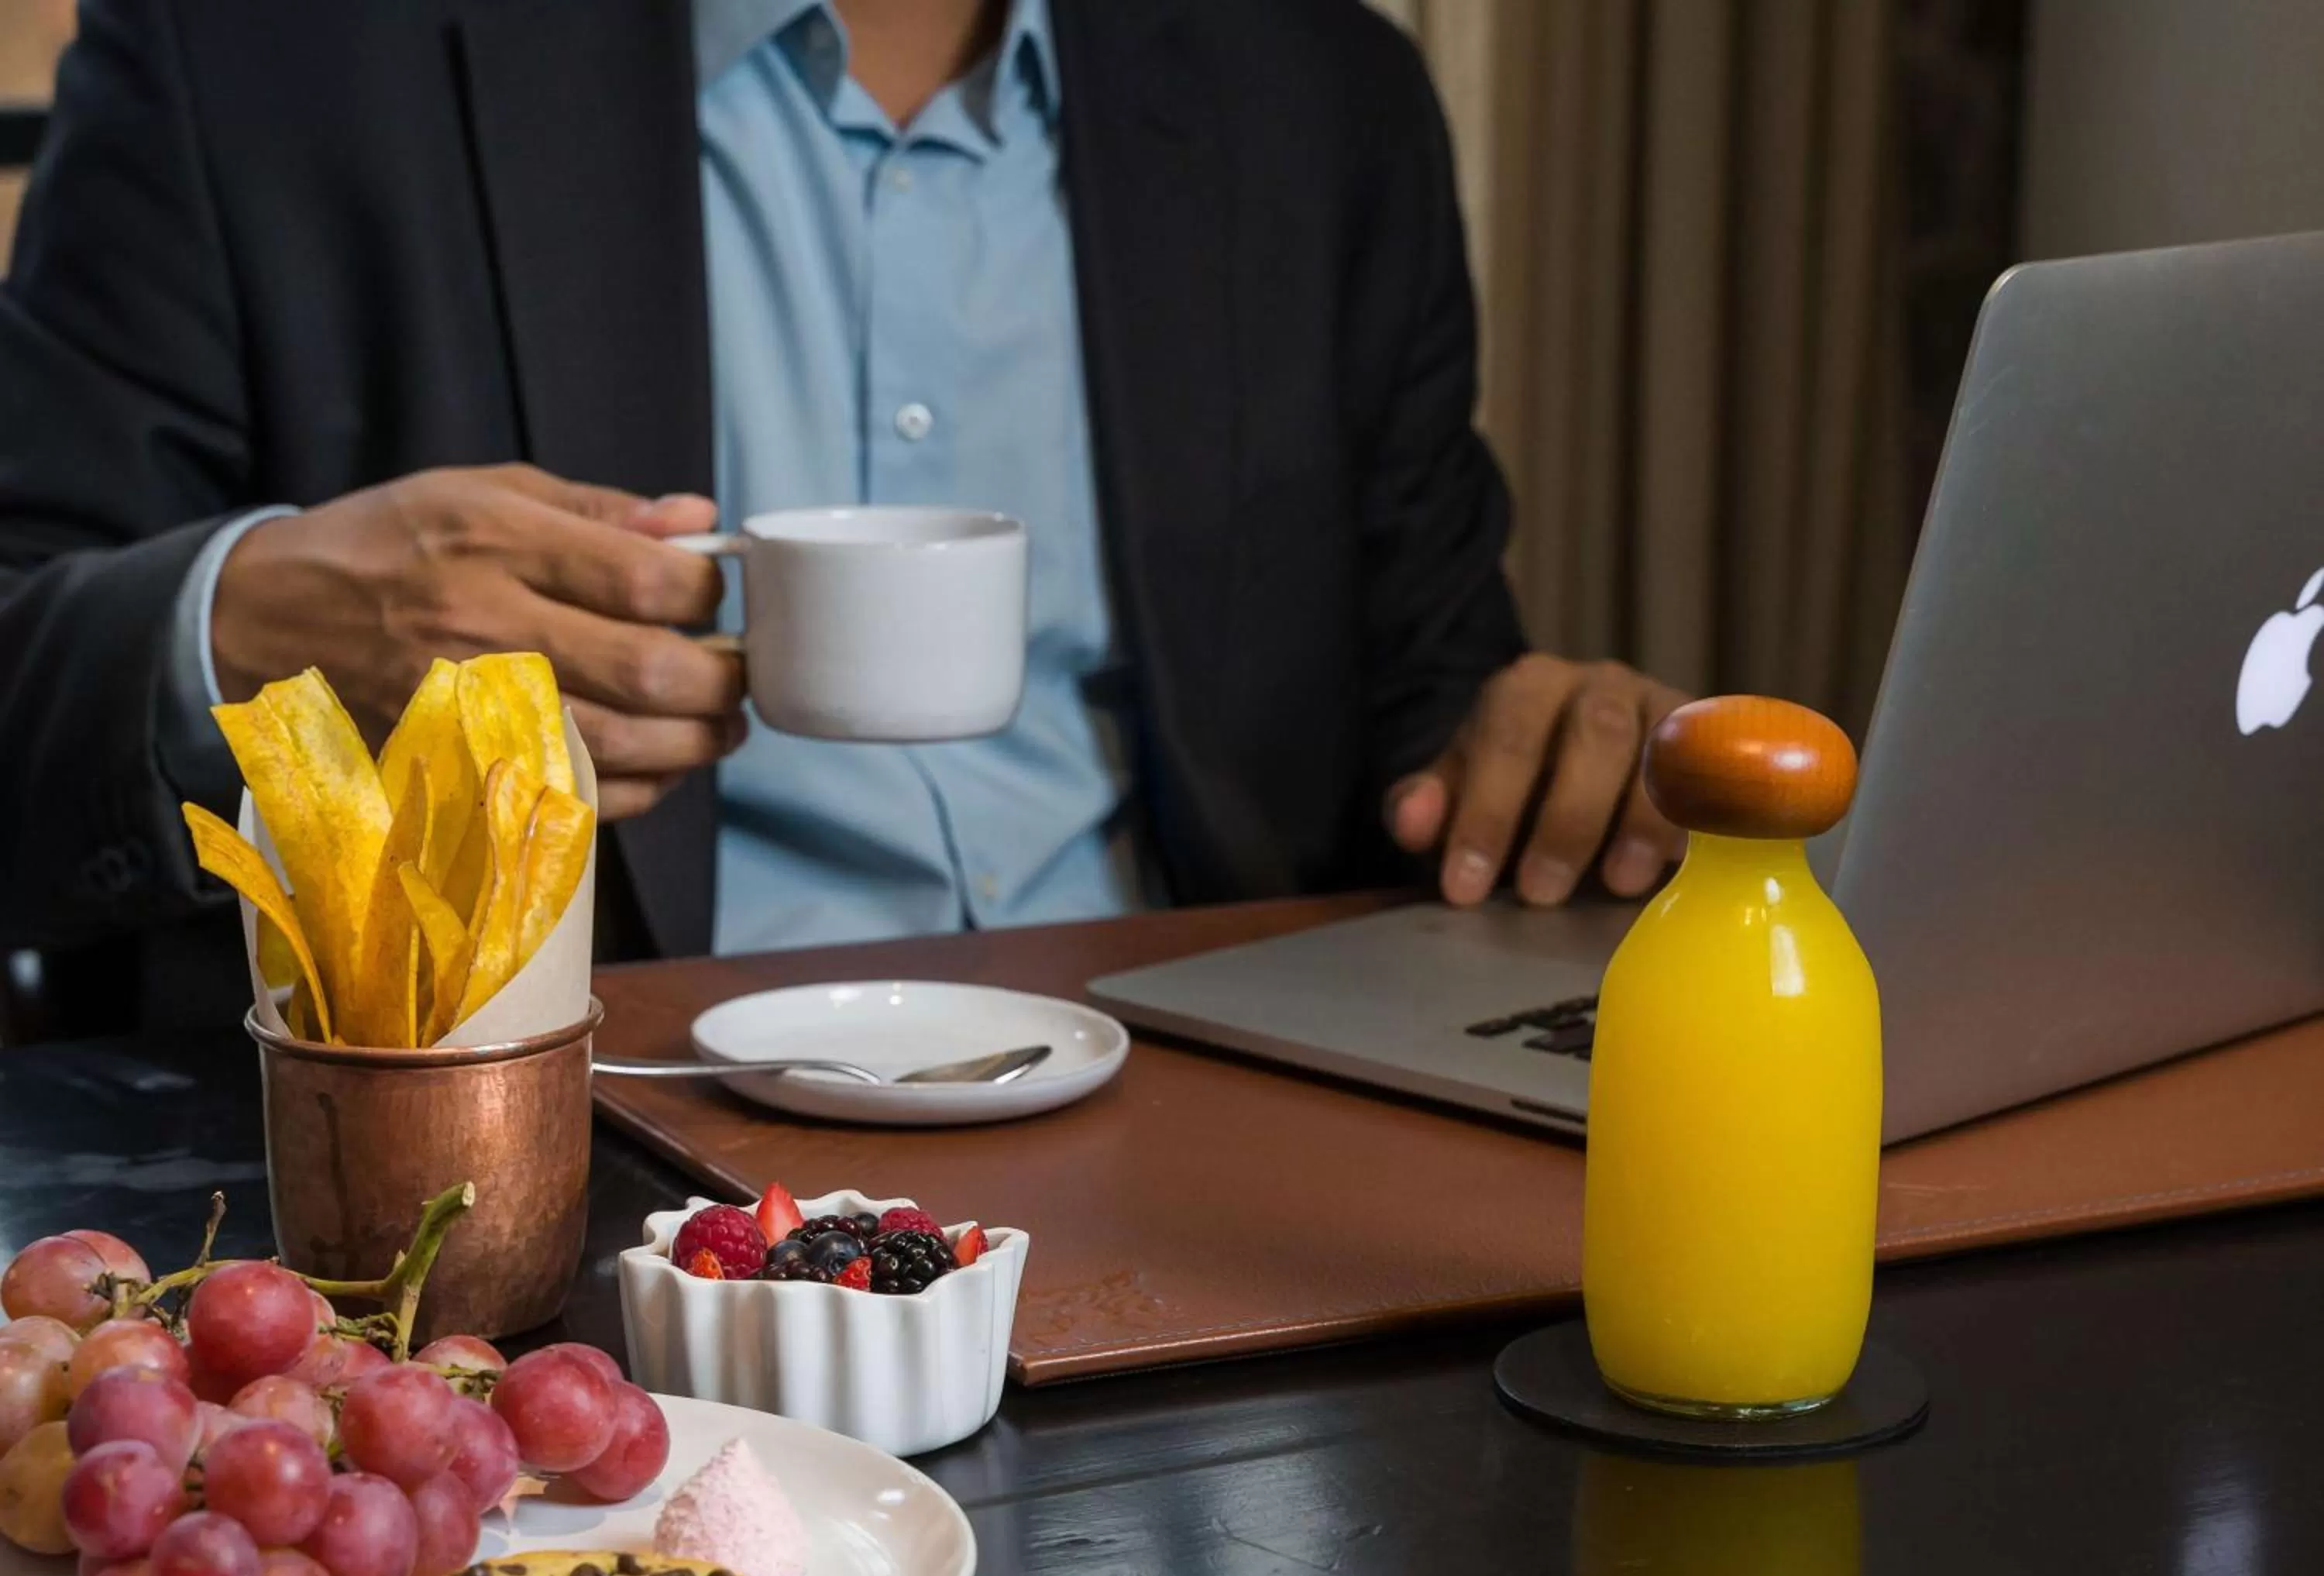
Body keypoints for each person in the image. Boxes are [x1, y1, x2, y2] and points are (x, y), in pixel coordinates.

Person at [0, 0, 1687, 1031]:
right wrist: (237, 634)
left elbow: (1433, 706)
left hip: (1213, 1135)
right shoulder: (261, 55)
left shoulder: (1326, 97)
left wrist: (1546, 749)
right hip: (576, 1187)